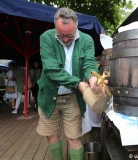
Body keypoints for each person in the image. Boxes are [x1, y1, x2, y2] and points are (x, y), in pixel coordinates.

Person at [36, 8, 107, 160]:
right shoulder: (46, 38)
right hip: (48, 96)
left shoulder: (87, 40)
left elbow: (89, 64)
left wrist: (93, 79)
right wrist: (78, 84)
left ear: (76, 26)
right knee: (51, 136)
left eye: (70, 35)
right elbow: (51, 69)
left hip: (72, 98)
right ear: (55, 27)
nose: (66, 39)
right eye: (61, 35)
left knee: (74, 138)